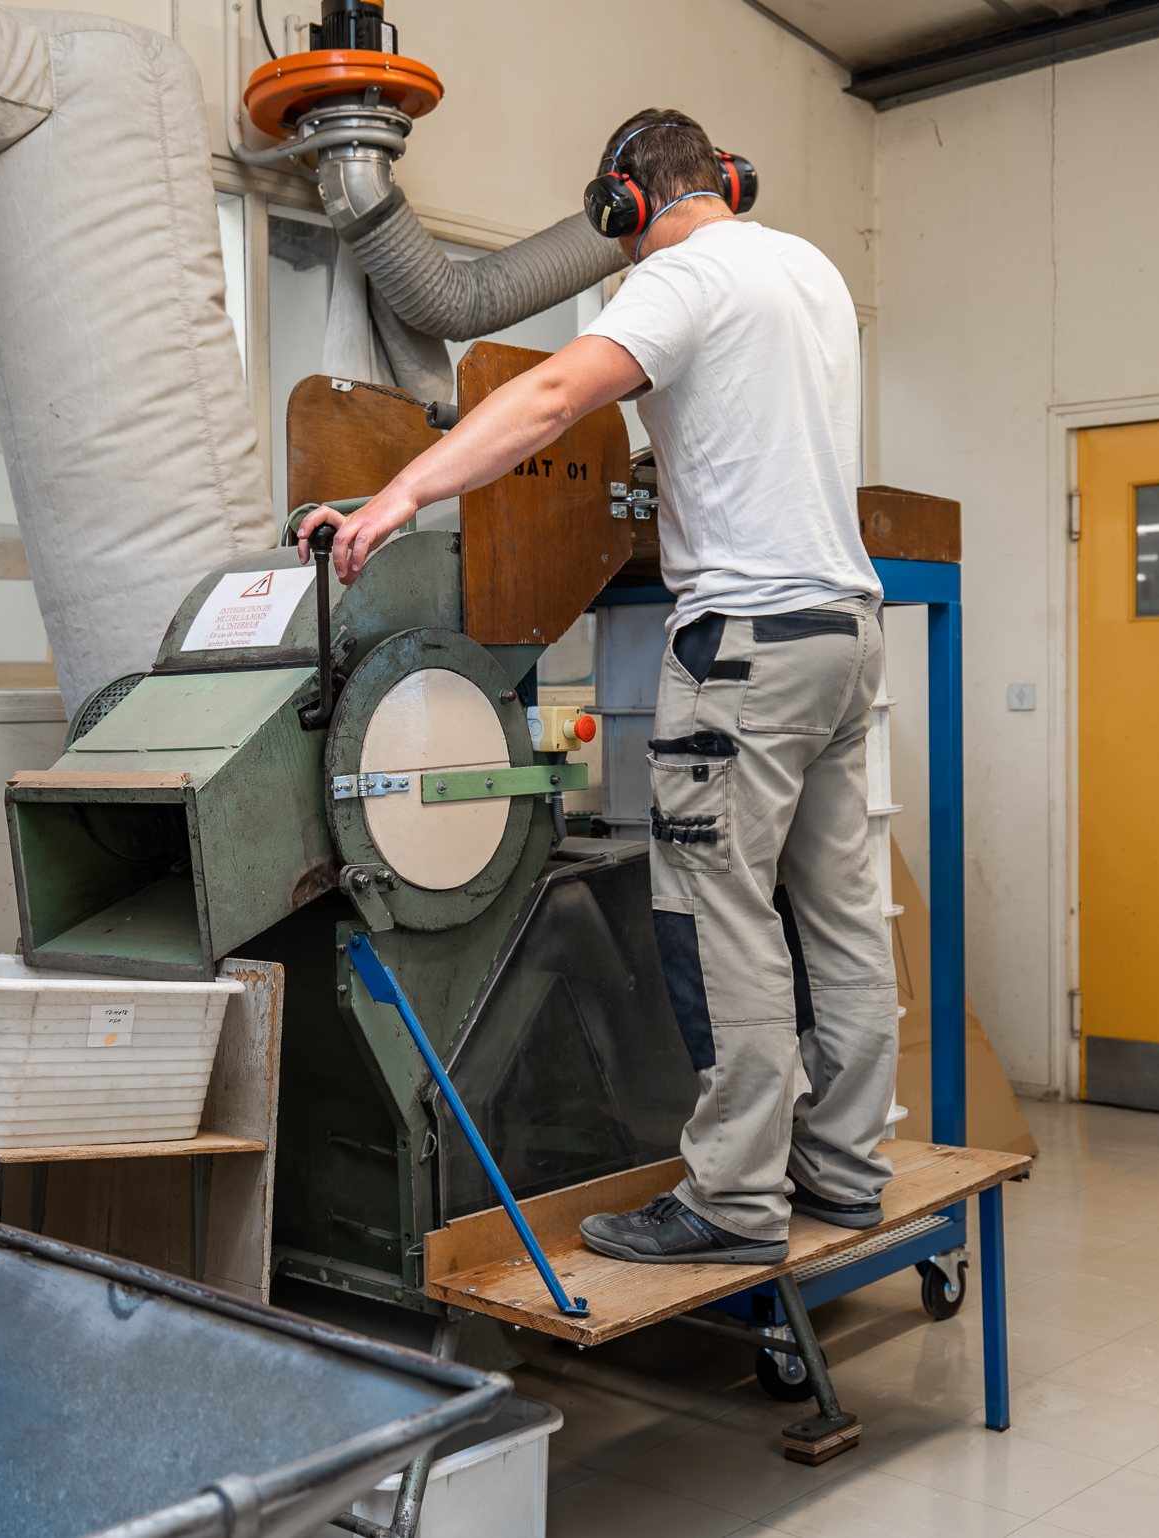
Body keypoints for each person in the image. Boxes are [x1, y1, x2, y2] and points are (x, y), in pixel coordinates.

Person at [295, 107, 895, 1266]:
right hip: (841, 634)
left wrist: (397, 496)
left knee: (716, 916)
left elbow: (549, 399)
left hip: (744, 648)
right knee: (836, 914)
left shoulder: (680, 278)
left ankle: (733, 1201)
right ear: (724, 181)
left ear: (622, 204)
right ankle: (844, 1166)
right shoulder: (807, 269)